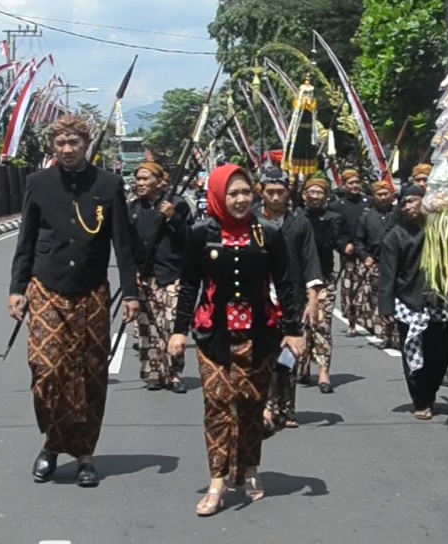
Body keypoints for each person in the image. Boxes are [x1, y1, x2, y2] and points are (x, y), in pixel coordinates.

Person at [9, 114, 140, 486]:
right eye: (61, 143)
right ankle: (52, 443)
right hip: (47, 288)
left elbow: (123, 243)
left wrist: (130, 292)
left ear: (86, 145)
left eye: (74, 143)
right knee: (47, 372)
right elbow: (26, 240)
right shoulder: (38, 183)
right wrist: (16, 289)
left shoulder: (108, 184)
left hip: (91, 293)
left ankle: (83, 454)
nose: (67, 150)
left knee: (89, 376)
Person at [168, 165, 305, 517]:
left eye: (246, 192)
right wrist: (179, 330)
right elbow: (188, 285)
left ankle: (249, 468)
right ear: (218, 196)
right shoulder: (201, 233)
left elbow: (286, 284)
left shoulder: (268, 234)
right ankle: (217, 480)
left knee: (249, 404)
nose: (241, 199)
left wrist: (293, 330)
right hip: (213, 334)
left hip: (259, 336)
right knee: (216, 405)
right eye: (233, 193)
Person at [254, 168, 321, 433]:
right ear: (262, 192)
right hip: (259, 297)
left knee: (288, 355)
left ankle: (285, 409)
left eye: (280, 192)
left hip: (291, 297)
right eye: (270, 192)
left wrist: (313, 299)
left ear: (288, 193)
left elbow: (310, 261)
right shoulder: (253, 220)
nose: (275, 197)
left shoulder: (300, 223)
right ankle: (264, 407)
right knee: (262, 354)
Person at [378, 185, 448, 420]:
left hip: (437, 301)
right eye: (404, 203)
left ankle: (431, 389)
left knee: (442, 352)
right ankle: (421, 400)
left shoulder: (439, 228)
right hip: (409, 302)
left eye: (413, 200)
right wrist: (386, 307)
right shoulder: (395, 236)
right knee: (413, 355)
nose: (409, 206)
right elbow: (388, 274)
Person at [130, 161, 191, 393]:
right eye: (138, 179)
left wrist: (172, 218)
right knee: (148, 326)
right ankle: (153, 373)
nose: (140, 183)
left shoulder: (177, 204)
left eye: (145, 179)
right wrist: (132, 272)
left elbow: (190, 238)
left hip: (172, 274)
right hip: (145, 275)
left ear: (159, 181)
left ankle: (174, 373)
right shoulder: (134, 208)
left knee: (172, 324)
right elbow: (127, 245)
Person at [294, 177, 345, 394]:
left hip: (323, 278)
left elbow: (332, 242)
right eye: (311, 192)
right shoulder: (295, 217)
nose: (315, 196)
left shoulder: (333, 218)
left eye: (319, 192)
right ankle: (303, 367)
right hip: (298, 279)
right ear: (304, 194)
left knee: (322, 325)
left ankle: (324, 372)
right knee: (301, 325)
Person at [354, 180, 398, 344]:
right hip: (376, 263)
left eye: (385, 194)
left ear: (391, 195)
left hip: (396, 263)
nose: (383, 197)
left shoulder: (398, 215)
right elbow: (358, 241)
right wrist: (365, 256)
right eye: (379, 194)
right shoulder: (366, 217)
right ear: (374, 196)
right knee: (378, 298)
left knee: (396, 297)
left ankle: (396, 333)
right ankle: (384, 334)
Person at [330, 170, 370, 337]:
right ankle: (352, 323)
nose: (354, 186)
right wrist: (343, 246)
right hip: (348, 256)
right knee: (350, 291)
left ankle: (372, 323)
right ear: (344, 185)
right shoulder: (336, 206)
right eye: (350, 183)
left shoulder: (369, 203)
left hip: (367, 254)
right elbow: (333, 233)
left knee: (368, 290)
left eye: (356, 182)